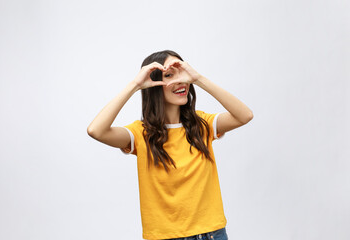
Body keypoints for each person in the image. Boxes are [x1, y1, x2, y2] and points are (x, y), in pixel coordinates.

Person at [87, 50, 253, 240]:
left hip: (213, 234)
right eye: (168, 75)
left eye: (181, 73)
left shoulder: (202, 125)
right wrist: (135, 85)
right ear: (153, 83)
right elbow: (96, 130)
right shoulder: (141, 133)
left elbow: (245, 115)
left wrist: (197, 78)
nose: (180, 81)